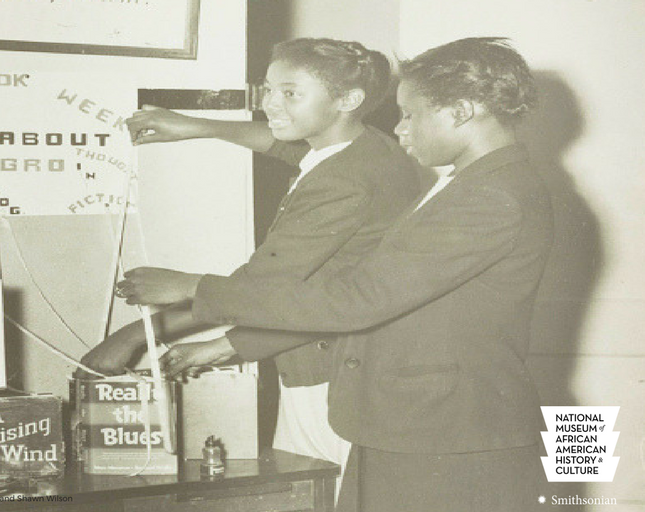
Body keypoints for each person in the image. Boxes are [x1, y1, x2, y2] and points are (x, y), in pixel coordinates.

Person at [119, 37, 552, 512]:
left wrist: (192, 287)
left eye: (410, 114)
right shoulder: (470, 180)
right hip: (418, 421)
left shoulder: (489, 196)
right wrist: (199, 126)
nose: (401, 129)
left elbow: (358, 299)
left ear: (462, 111)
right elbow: (304, 156)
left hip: (444, 430)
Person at [80, 38, 421, 467]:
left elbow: (260, 288)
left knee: (320, 490)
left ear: (348, 100)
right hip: (342, 363)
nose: (271, 105)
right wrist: (196, 125)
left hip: (329, 379)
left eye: (290, 93)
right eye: (268, 90)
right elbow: (283, 144)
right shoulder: (363, 148)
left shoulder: (344, 182)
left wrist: (138, 331)